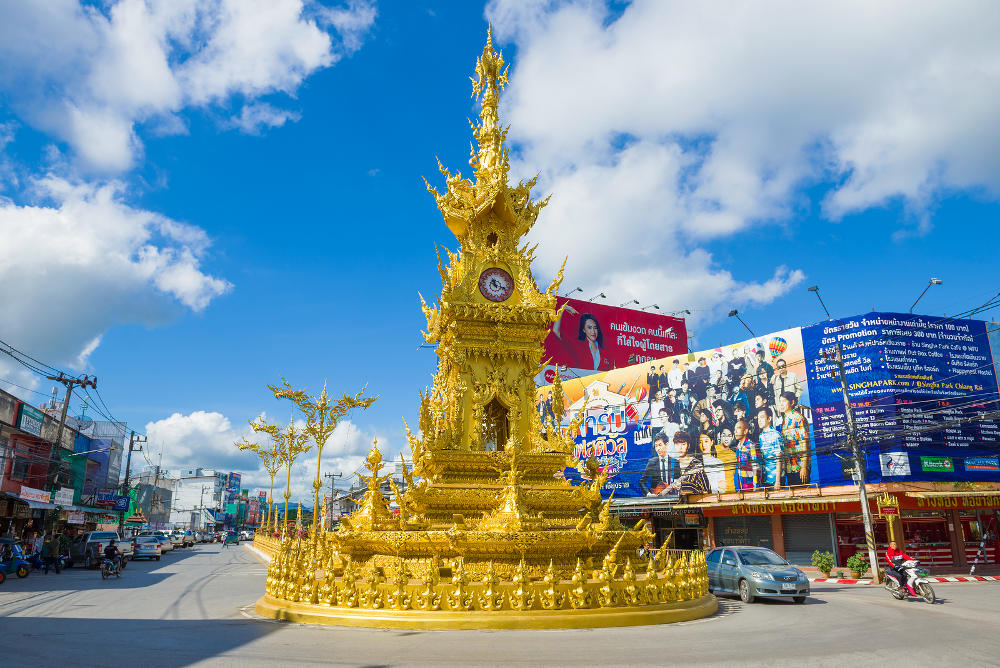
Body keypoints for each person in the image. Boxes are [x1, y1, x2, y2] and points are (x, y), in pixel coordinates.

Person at [551, 305, 611, 371]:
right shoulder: (577, 345)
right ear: (584, 330)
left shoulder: (605, 352)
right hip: (581, 380)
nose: (593, 331)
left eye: (595, 328)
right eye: (589, 328)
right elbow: (556, 331)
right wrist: (562, 308)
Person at [778, 391, 811, 485]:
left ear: (792, 402)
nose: (781, 404)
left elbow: (805, 444)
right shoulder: (785, 420)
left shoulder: (799, 418)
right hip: (789, 467)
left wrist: (804, 467)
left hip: (800, 466)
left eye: (784, 401)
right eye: (780, 401)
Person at [756, 408, 783, 489]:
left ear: (769, 419)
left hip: (776, 479)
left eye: (761, 417)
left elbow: (779, 458)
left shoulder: (775, 435)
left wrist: (778, 481)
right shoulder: (761, 436)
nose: (759, 420)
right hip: (765, 479)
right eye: (758, 418)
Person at [732, 419, 760, 491]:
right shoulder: (738, 447)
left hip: (750, 487)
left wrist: (755, 488)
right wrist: (737, 487)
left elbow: (756, 469)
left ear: (745, 431)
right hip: (741, 487)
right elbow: (737, 469)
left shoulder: (751, 446)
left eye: (738, 428)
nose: (735, 431)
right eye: (734, 429)